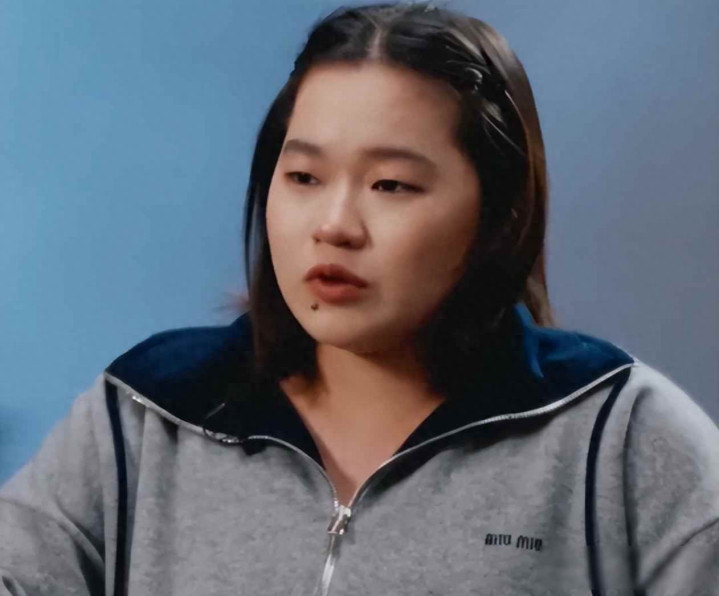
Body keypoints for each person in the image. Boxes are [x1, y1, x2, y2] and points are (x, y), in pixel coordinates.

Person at [1, 2, 717, 595]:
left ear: (499, 214)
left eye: (390, 185)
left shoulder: (613, 433)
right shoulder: (149, 415)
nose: (334, 225)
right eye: (304, 178)